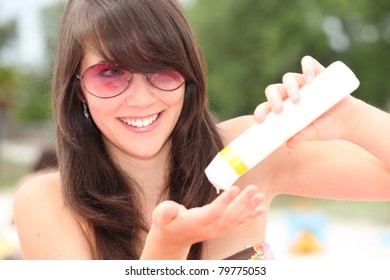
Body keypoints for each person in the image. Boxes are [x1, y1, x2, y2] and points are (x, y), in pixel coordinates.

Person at [13, 0, 390, 260]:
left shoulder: (247, 151)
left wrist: (350, 118)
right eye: (111, 74)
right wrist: (168, 249)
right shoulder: (49, 202)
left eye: (162, 69)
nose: (141, 99)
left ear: (188, 75)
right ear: (77, 85)